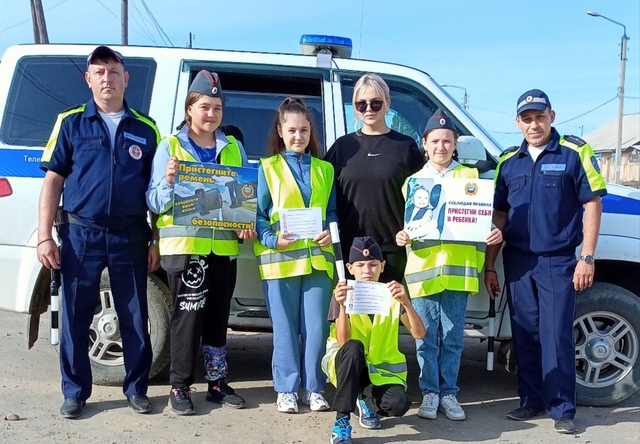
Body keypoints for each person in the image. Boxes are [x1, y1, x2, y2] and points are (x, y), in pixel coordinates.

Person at [37, 45, 160, 418]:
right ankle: (75, 392)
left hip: (130, 234)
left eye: (113, 71)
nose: (107, 78)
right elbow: (53, 181)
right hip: (80, 234)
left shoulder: (146, 128)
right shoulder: (70, 122)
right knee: (76, 314)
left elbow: (156, 191)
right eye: (99, 71)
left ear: (126, 79)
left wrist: (154, 239)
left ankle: (136, 388)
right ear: (88, 79)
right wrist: (45, 235)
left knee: (136, 314)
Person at [484, 89, 606, 434]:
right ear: (517, 123)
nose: (534, 124)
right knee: (524, 334)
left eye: (540, 116)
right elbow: (499, 215)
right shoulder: (508, 162)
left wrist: (587, 256)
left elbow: (592, 204)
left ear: (551, 116)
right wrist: (490, 265)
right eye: (527, 118)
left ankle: (563, 409)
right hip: (518, 261)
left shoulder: (573, 152)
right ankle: (531, 399)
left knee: (555, 335)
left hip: (558, 261)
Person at [146, 70, 255, 415]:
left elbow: (243, 196)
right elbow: (153, 200)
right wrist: (168, 181)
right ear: (190, 108)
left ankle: (217, 384)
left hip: (222, 248)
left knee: (218, 319)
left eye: (217, 108)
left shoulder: (234, 147)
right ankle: (179, 386)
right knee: (186, 318)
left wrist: (246, 224)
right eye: (204, 107)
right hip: (185, 248)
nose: (211, 114)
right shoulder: (171, 146)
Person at [396, 109, 502, 422]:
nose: (441, 146)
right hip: (423, 271)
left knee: (454, 336)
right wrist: (403, 235)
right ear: (425, 144)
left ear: (454, 144)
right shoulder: (413, 183)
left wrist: (492, 232)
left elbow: (480, 222)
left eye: (447, 141)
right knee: (425, 337)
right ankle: (430, 392)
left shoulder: (472, 179)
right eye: (435, 141)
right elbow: (410, 224)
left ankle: (449, 393)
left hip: (458, 270)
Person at [254, 97, 337, 413]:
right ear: (280, 130)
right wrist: (272, 239)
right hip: (281, 260)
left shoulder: (325, 169)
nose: (298, 136)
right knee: (285, 328)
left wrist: (332, 229)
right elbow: (258, 215)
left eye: (304, 130)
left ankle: (314, 388)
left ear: (310, 132)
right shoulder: (267, 168)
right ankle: (287, 389)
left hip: (317, 259)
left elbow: (332, 212)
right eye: (291, 130)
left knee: (316, 328)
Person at [322, 236, 426, 444]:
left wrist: (406, 303)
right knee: (353, 347)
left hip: (379, 372)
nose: (367, 271)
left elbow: (419, 333)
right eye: (360, 265)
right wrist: (343, 306)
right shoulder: (342, 294)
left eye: (373, 265)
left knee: (399, 404)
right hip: (347, 365)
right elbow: (344, 341)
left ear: (382, 266)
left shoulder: (391, 294)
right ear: (350, 268)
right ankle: (341, 422)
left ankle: (364, 401)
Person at [324, 73, 424, 283]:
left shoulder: (405, 147)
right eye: (361, 104)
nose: (368, 109)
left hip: (392, 249)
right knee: (352, 316)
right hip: (351, 252)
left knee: (390, 315)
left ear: (388, 104)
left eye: (376, 103)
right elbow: (321, 193)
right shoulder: (342, 147)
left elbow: (423, 198)